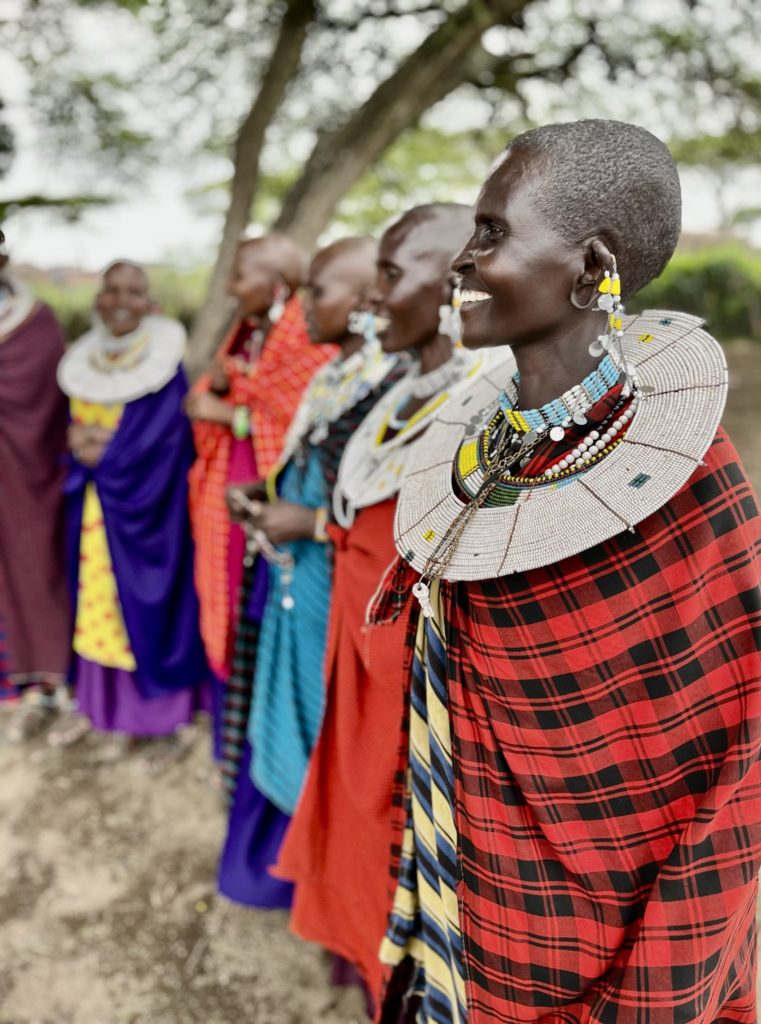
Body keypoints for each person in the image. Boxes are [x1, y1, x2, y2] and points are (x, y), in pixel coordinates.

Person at [371, 120, 761, 1023]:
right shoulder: (482, 456)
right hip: (469, 905)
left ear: (592, 271)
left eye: (491, 234)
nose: (459, 266)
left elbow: (733, 791)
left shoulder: (693, 494)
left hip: (593, 951)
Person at [274, 205, 501, 1014]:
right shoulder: (397, 390)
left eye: (391, 278)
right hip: (360, 665)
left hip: (418, 691)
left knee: (404, 858)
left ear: (450, 285)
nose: (373, 301)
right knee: (358, 832)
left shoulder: (487, 406)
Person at [216, 236, 404, 911]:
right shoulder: (333, 376)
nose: (304, 305)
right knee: (288, 718)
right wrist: (267, 497)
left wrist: (311, 523)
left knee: (329, 728)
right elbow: (303, 468)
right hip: (298, 579)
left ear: (360, 303)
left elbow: (385, 518)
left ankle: (329, 891)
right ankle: (290, 875)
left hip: (338, 589)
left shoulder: (393, 385)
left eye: (317, 291)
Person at [186, 234, 335, 752]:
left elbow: (305, 419)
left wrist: (234, 415)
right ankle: (228, 707)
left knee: (262, 593)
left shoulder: (310, 338)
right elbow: (209, 392)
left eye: (240, 277)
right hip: (231, 479)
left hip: (276, 486)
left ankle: (262, 725)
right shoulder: (247, 332)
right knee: (224, 584)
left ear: (275, 285)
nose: (230, 287)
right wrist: (224, 395)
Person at [54, 261, 209, 756]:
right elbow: (75, 433)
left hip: (147, 514)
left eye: (134, 291)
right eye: (112, 290)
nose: (121, 300)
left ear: (150, 303)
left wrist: (110, 453)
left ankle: (156, 719)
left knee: (141, 605)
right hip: (95, 515)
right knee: (99, 606)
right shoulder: (85, 361)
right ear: (98, 299)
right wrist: (82, 446)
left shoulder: (165, 369)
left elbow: (171, 444)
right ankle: (106, 711)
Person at [0, 235, 70, 737]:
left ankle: (45, 683)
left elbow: (51, 402)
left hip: (26, 473)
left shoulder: (33, 322)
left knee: (32, 564)